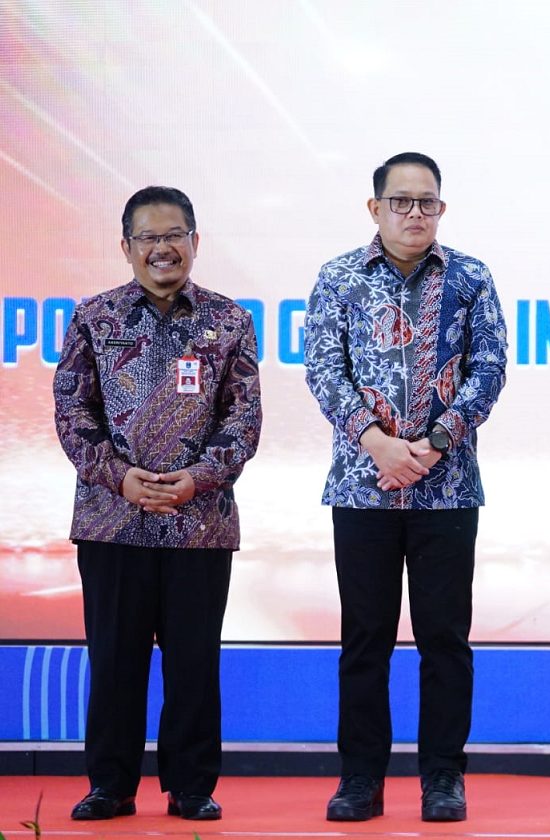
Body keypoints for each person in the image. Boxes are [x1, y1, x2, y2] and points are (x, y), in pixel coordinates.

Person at [304, 152, 507, 823]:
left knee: (444, 640)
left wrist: (434, 443)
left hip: (447, 490)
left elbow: (489, 368)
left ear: (441, 209)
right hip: (363, 488)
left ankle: (442, 777)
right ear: (376, 208)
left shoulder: (471, 278)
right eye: (401, 201)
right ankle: (360, 779)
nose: (415, 213)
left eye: (427, 202)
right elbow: (323, 369)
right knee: (365, 639)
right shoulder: (338, 278)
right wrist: (378, 444)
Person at [53, 186, 262, 822]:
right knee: (114, 660)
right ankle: (110, 785)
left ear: (194, 242)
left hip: (200, 524)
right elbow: (72, 411)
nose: (162, 248)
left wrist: (198, 478)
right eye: (148, 237)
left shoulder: (229, 321)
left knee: (193, 661)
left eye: (174, 235)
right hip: (112, 521)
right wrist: (119, 479)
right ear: (127, 247)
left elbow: (243, 419)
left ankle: (191, 786)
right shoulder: (94, 317)